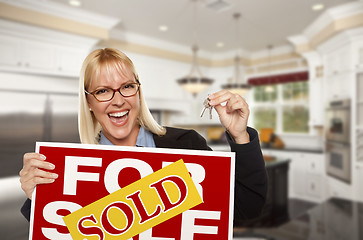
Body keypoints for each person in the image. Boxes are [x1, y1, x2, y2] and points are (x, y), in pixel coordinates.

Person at [19, 48, 267, 222]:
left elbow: (247, 206)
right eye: (103, 90)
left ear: (138, 92)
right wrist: (37, 197)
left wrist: (240, 135)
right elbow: (59, 229)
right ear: (89, 103)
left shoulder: (187, 145)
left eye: (127, 87)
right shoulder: (72, 168)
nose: (118, 101)